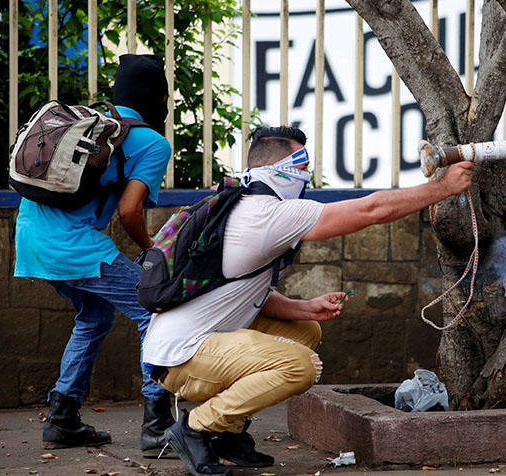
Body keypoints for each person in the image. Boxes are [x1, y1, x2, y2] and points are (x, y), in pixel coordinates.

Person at [141, 126, 473, 476]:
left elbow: (244, 293)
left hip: (187, 344)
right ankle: (196, 427)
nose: (306, 177)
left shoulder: (243, 205)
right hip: (183, 356)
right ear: (279, 171)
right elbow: (371, 210)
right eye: (302, 168)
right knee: (301, 366)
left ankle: (229, 432)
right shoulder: (266, 213)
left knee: (305, 330)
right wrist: (442, 188)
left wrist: (303, 307)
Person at [14, 54, 175, 456]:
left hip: (30, 239)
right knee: (155, 311)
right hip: (72, 246)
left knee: (95, 315)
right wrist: (153, 251)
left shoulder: (87, 123)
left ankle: (63, 416)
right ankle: (158, 425)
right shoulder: (152, 142)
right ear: (158, 97)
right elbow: (129, 211)